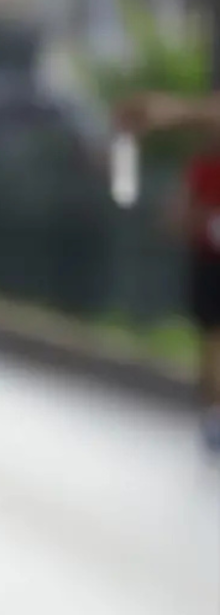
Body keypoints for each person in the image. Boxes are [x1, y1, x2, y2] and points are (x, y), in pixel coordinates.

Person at [113, 92, 220, 453]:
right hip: (210, 263)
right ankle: (214, 415)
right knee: (211, 340)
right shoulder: (204, 168)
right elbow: (177, 217)